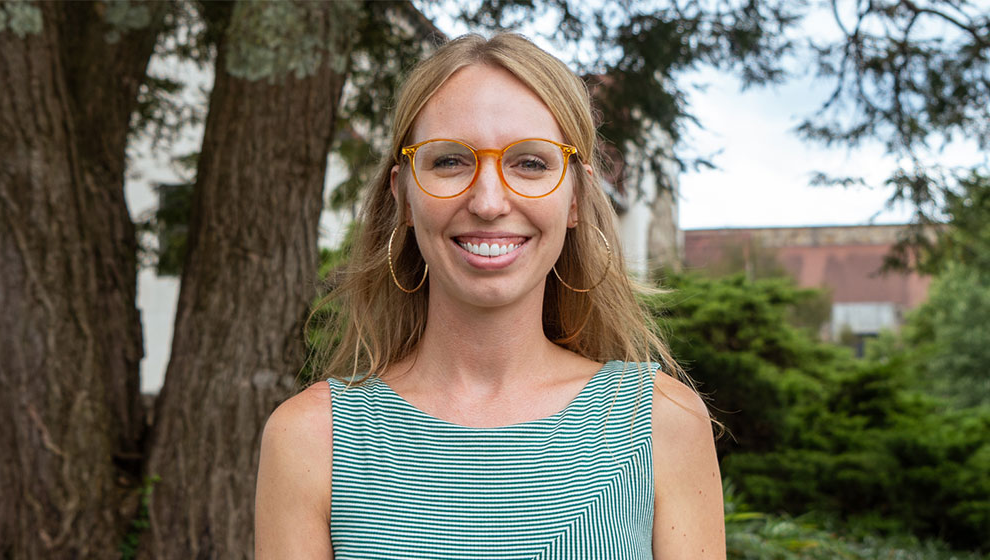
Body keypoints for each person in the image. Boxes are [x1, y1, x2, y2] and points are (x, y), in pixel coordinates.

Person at [254, 33, 725, 559]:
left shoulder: (661, 421)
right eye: (451, 161)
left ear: (575, 197)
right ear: (403, 194)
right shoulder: (310, 439)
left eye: (530, 163)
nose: (488, 200)